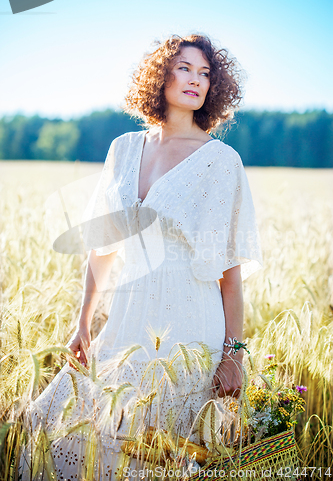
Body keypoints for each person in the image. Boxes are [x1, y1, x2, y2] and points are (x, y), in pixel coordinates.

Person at [20, 34, 262, 480]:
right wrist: (83, 320)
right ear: (160, 75)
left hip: (188, 328)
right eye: (185, 68)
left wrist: (234, 355)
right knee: (79, 433)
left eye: (205, 73)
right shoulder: (124, 149)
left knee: (165, 456)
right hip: (126, 319)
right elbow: (103, 246)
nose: (196, 80)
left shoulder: (221, 162)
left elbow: (229, 272)